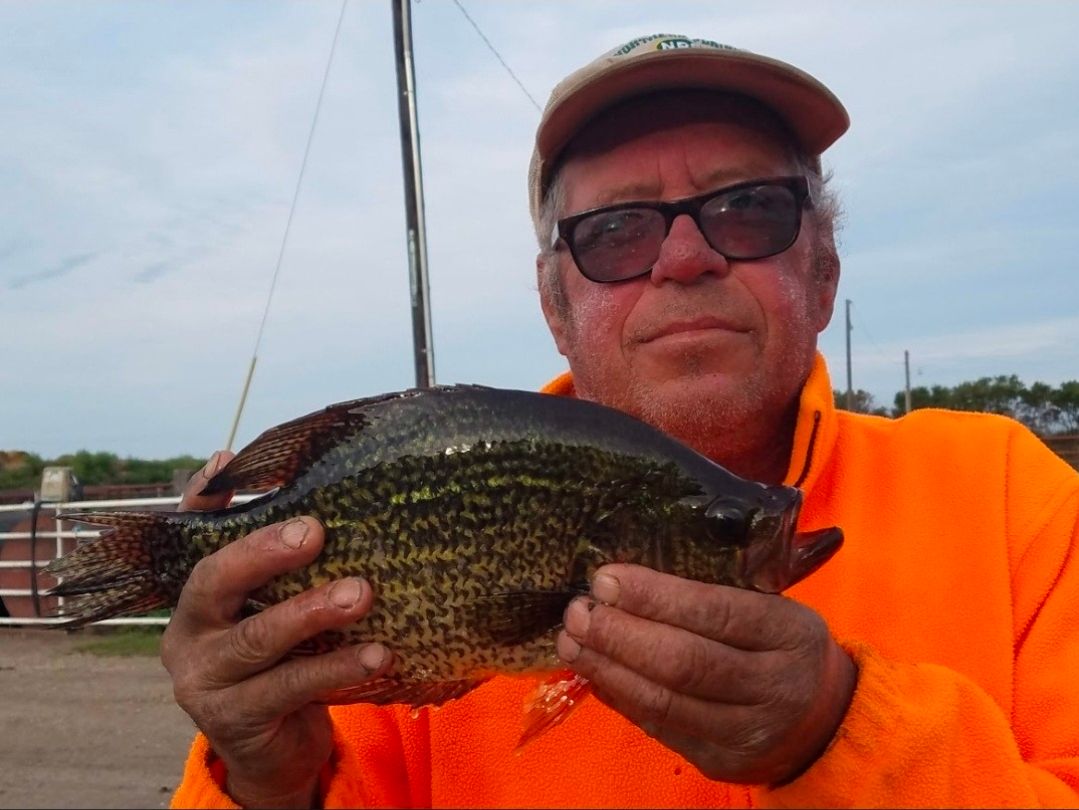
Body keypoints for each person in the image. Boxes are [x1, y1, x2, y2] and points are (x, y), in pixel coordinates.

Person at [167, 34, 1079, 808]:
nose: (684, 257)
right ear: (554, 307)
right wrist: (270, 783)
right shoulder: (364, 592)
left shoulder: (1011, 497)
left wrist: (836, 732)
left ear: (823, 274)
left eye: (747, 209)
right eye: (617, 231)